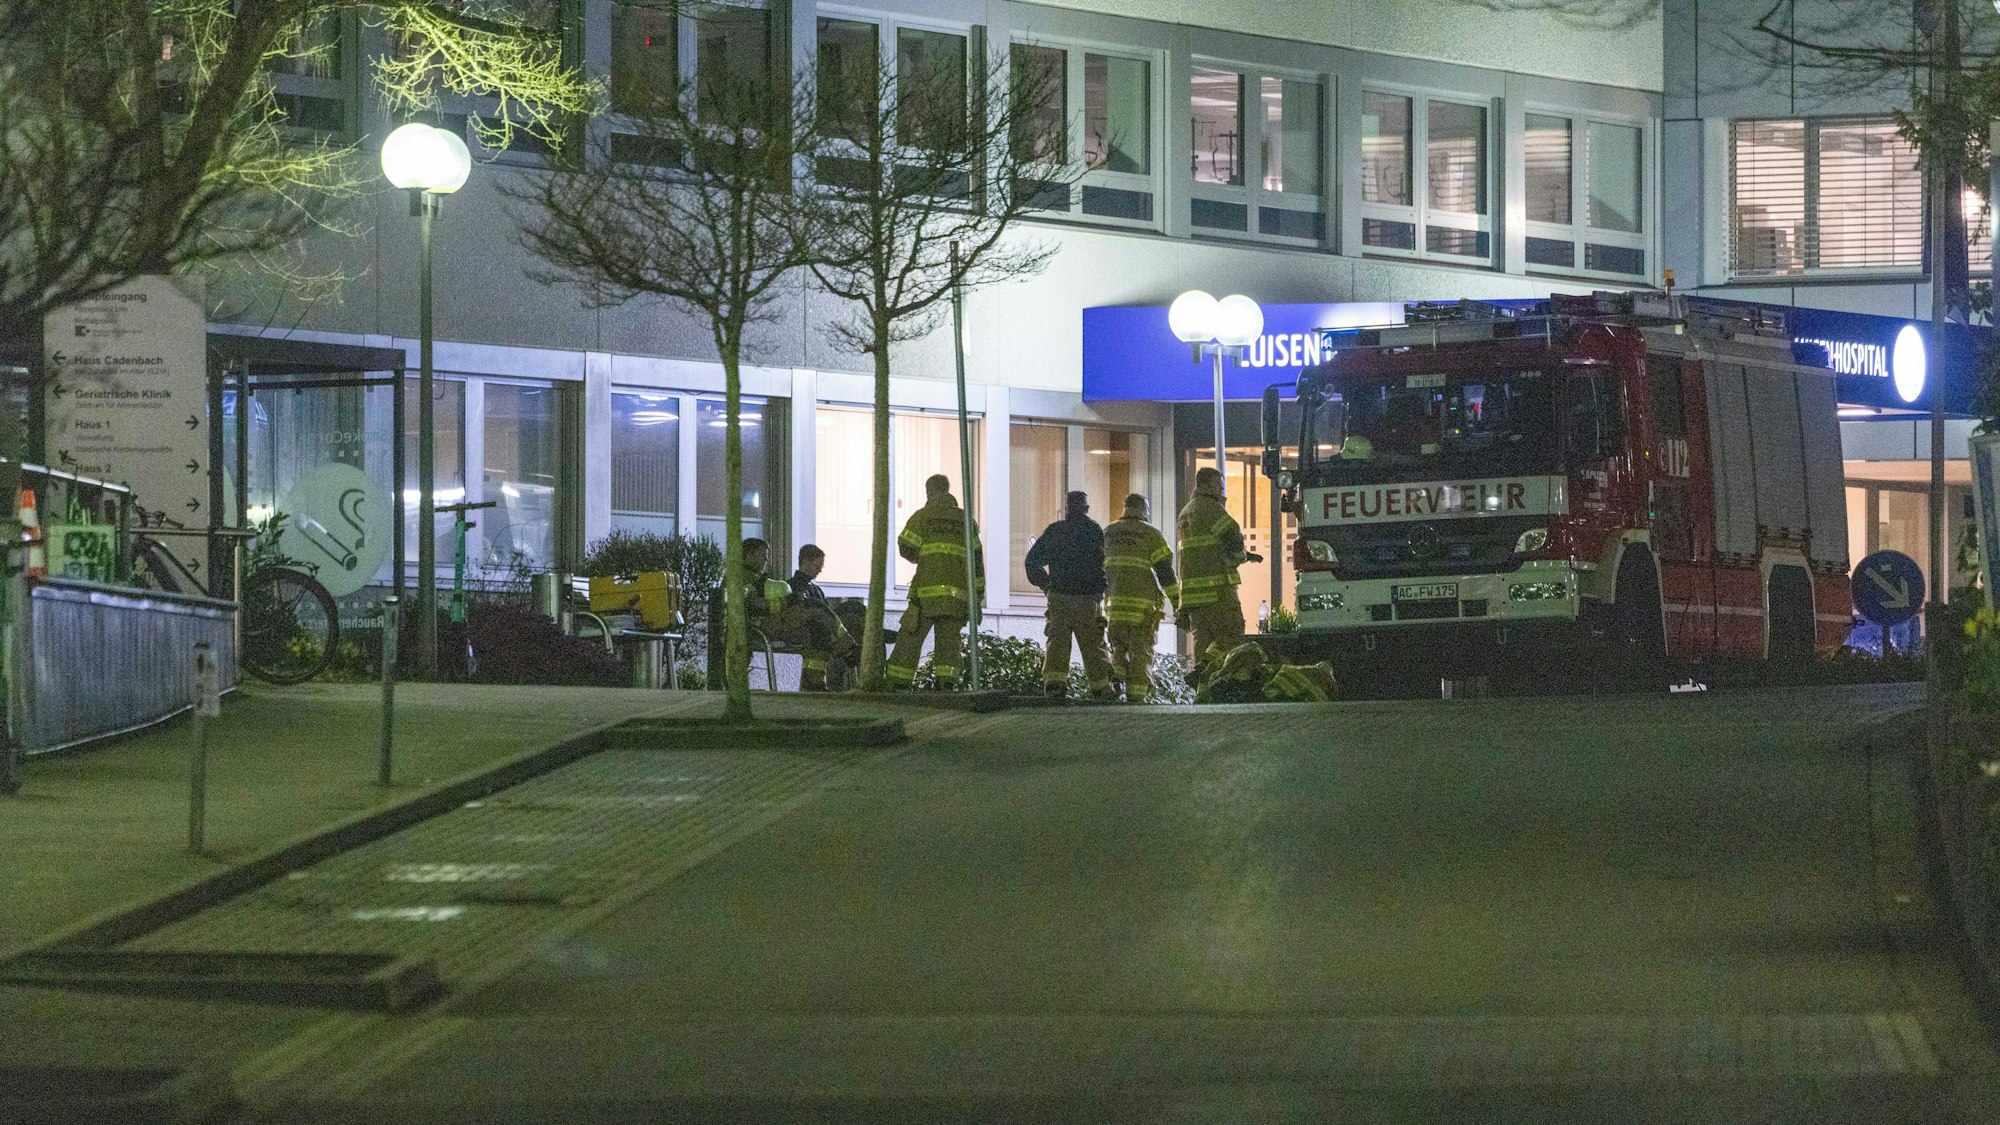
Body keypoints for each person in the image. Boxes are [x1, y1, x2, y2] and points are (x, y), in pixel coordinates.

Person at [887, 474, 983, 690]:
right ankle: (945, 684)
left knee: (910, 639)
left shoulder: (922, 516)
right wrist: (977, 595)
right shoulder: (967, 521)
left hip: (924, 597)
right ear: (947, 490)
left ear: (929, 491)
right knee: (949, 643)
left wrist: (923, 558)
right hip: (956, 598)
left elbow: (906, 545)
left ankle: (898, 685)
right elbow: (977, 562)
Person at [1024, 490, 1113, 701]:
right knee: (1093, 645)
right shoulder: (1094, 531)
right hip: (1087, 600)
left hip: (1060, 598)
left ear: (1066, 508)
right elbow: (1105, 563)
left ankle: (1055, 686)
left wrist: (1046, 585)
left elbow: (1032, 561)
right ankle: (1101, 688)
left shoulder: (1055, 531)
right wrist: (1102, 589)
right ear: (1086, 508)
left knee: (1057, 644)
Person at [1176, 466, 1255, 676]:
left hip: (1194, 597)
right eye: (1217, 484)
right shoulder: (1210, 508)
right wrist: (1239, 557)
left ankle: (1204, 686)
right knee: (1232, 632)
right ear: (1205, 484)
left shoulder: (1185, 512)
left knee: (1203, 640)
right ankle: (1206, 667)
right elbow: (1233, 534)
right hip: (1218, 590)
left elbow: (1205, 548)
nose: (1221, 489)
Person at [1102, 493, 1179, 703]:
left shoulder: (1108, 533)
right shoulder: (1150, 534)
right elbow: (1164, 571)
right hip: (1141, 608)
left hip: (1114, 607)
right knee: (1140, 653)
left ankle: (1117, 671)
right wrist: (1176, 601)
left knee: (1118, 646)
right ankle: (1137, 699)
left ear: (1125, 508)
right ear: (1144, 509)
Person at [761, 543, 855, 691]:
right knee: (818, 626)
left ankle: (853, 648)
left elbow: (828, 614)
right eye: (818, 565)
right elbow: (797, 617)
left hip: (824, 631)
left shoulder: (815, 589)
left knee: (853, 609)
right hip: (810, 632)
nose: (820, 570)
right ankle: (846, 651)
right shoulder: (789, 587)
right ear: (805, 562)